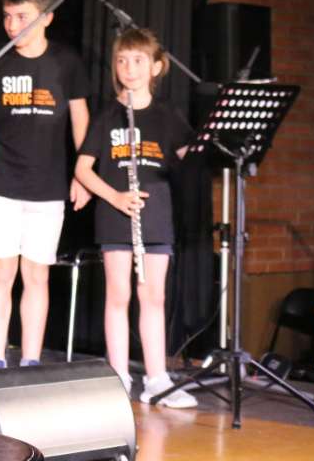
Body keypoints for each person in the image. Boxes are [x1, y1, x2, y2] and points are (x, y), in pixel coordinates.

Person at [0, 0, 89, 369]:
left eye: (22, 17)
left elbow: (80, 118)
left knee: (37, 275)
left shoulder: (66, 62)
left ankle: (30, 361)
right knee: (1, 271)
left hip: (48, 184)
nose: (12, 25)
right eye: (7, 17)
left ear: (46, 17)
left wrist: (83, 173)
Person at [74, 27, 197, 407]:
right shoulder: (107, 115)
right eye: (122, 61)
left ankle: (157, 379)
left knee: (153, 296)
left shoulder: (168, 116)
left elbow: (193, 160)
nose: (129, 68)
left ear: (156, 67)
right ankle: (119, 376)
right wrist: (114, 197)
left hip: (155, 216)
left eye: (139, 61)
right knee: (118, 294)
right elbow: (83, 169)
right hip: (115, 215)